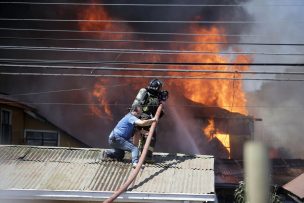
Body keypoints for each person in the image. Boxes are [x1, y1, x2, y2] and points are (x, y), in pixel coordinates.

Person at [131, 79, 169, 162]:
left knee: (141, 137)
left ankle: (137, 155)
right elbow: (155, 111)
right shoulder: (151, 96)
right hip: (146, 120)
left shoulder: (151, 95)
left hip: (141, 119)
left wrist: (162, 98)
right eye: (160, 88)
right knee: (151, 137)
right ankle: (146, 157)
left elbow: (158, 111)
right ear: (157, 88)